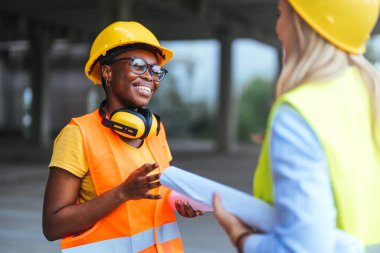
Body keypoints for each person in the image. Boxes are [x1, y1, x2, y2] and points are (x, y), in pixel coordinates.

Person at [213, 0, 380, 252]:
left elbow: (301, 247)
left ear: (303, 23)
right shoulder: (370, 95)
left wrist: (242, 238)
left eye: (282, 14)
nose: (279, 28)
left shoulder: (300, 110)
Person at [42, 21, 203, 253]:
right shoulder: (79, 134)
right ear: (107, 72)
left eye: (156, 71)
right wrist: (122, 193)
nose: (150, 77)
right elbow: (52, 225)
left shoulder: (156, 130)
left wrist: (179, 202)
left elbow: (158, 193)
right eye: (138, 66)